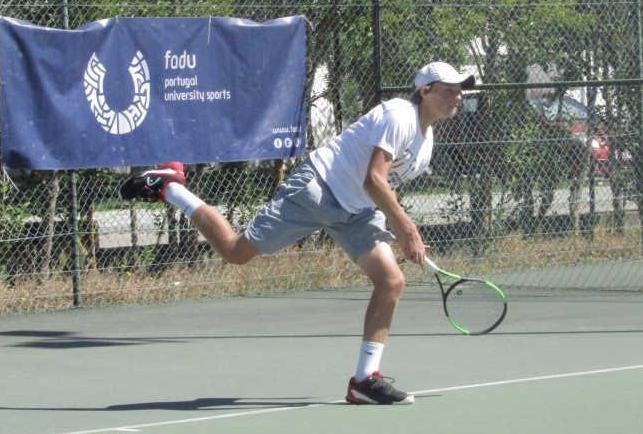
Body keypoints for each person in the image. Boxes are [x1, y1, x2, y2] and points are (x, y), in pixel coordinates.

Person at [120, 61, 475, 404]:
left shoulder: (425, 145)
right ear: (425, 91)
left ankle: (365, 381)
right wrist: (406, 227)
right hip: (319, 189)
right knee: (234, 251)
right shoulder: (399, 115)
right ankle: (170, 187)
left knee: (391, 281)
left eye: (459, 91)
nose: (457, 96)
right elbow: (374, 178)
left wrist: (400, 232)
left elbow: (384, 191)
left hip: (356, 210)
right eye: (448, 90)